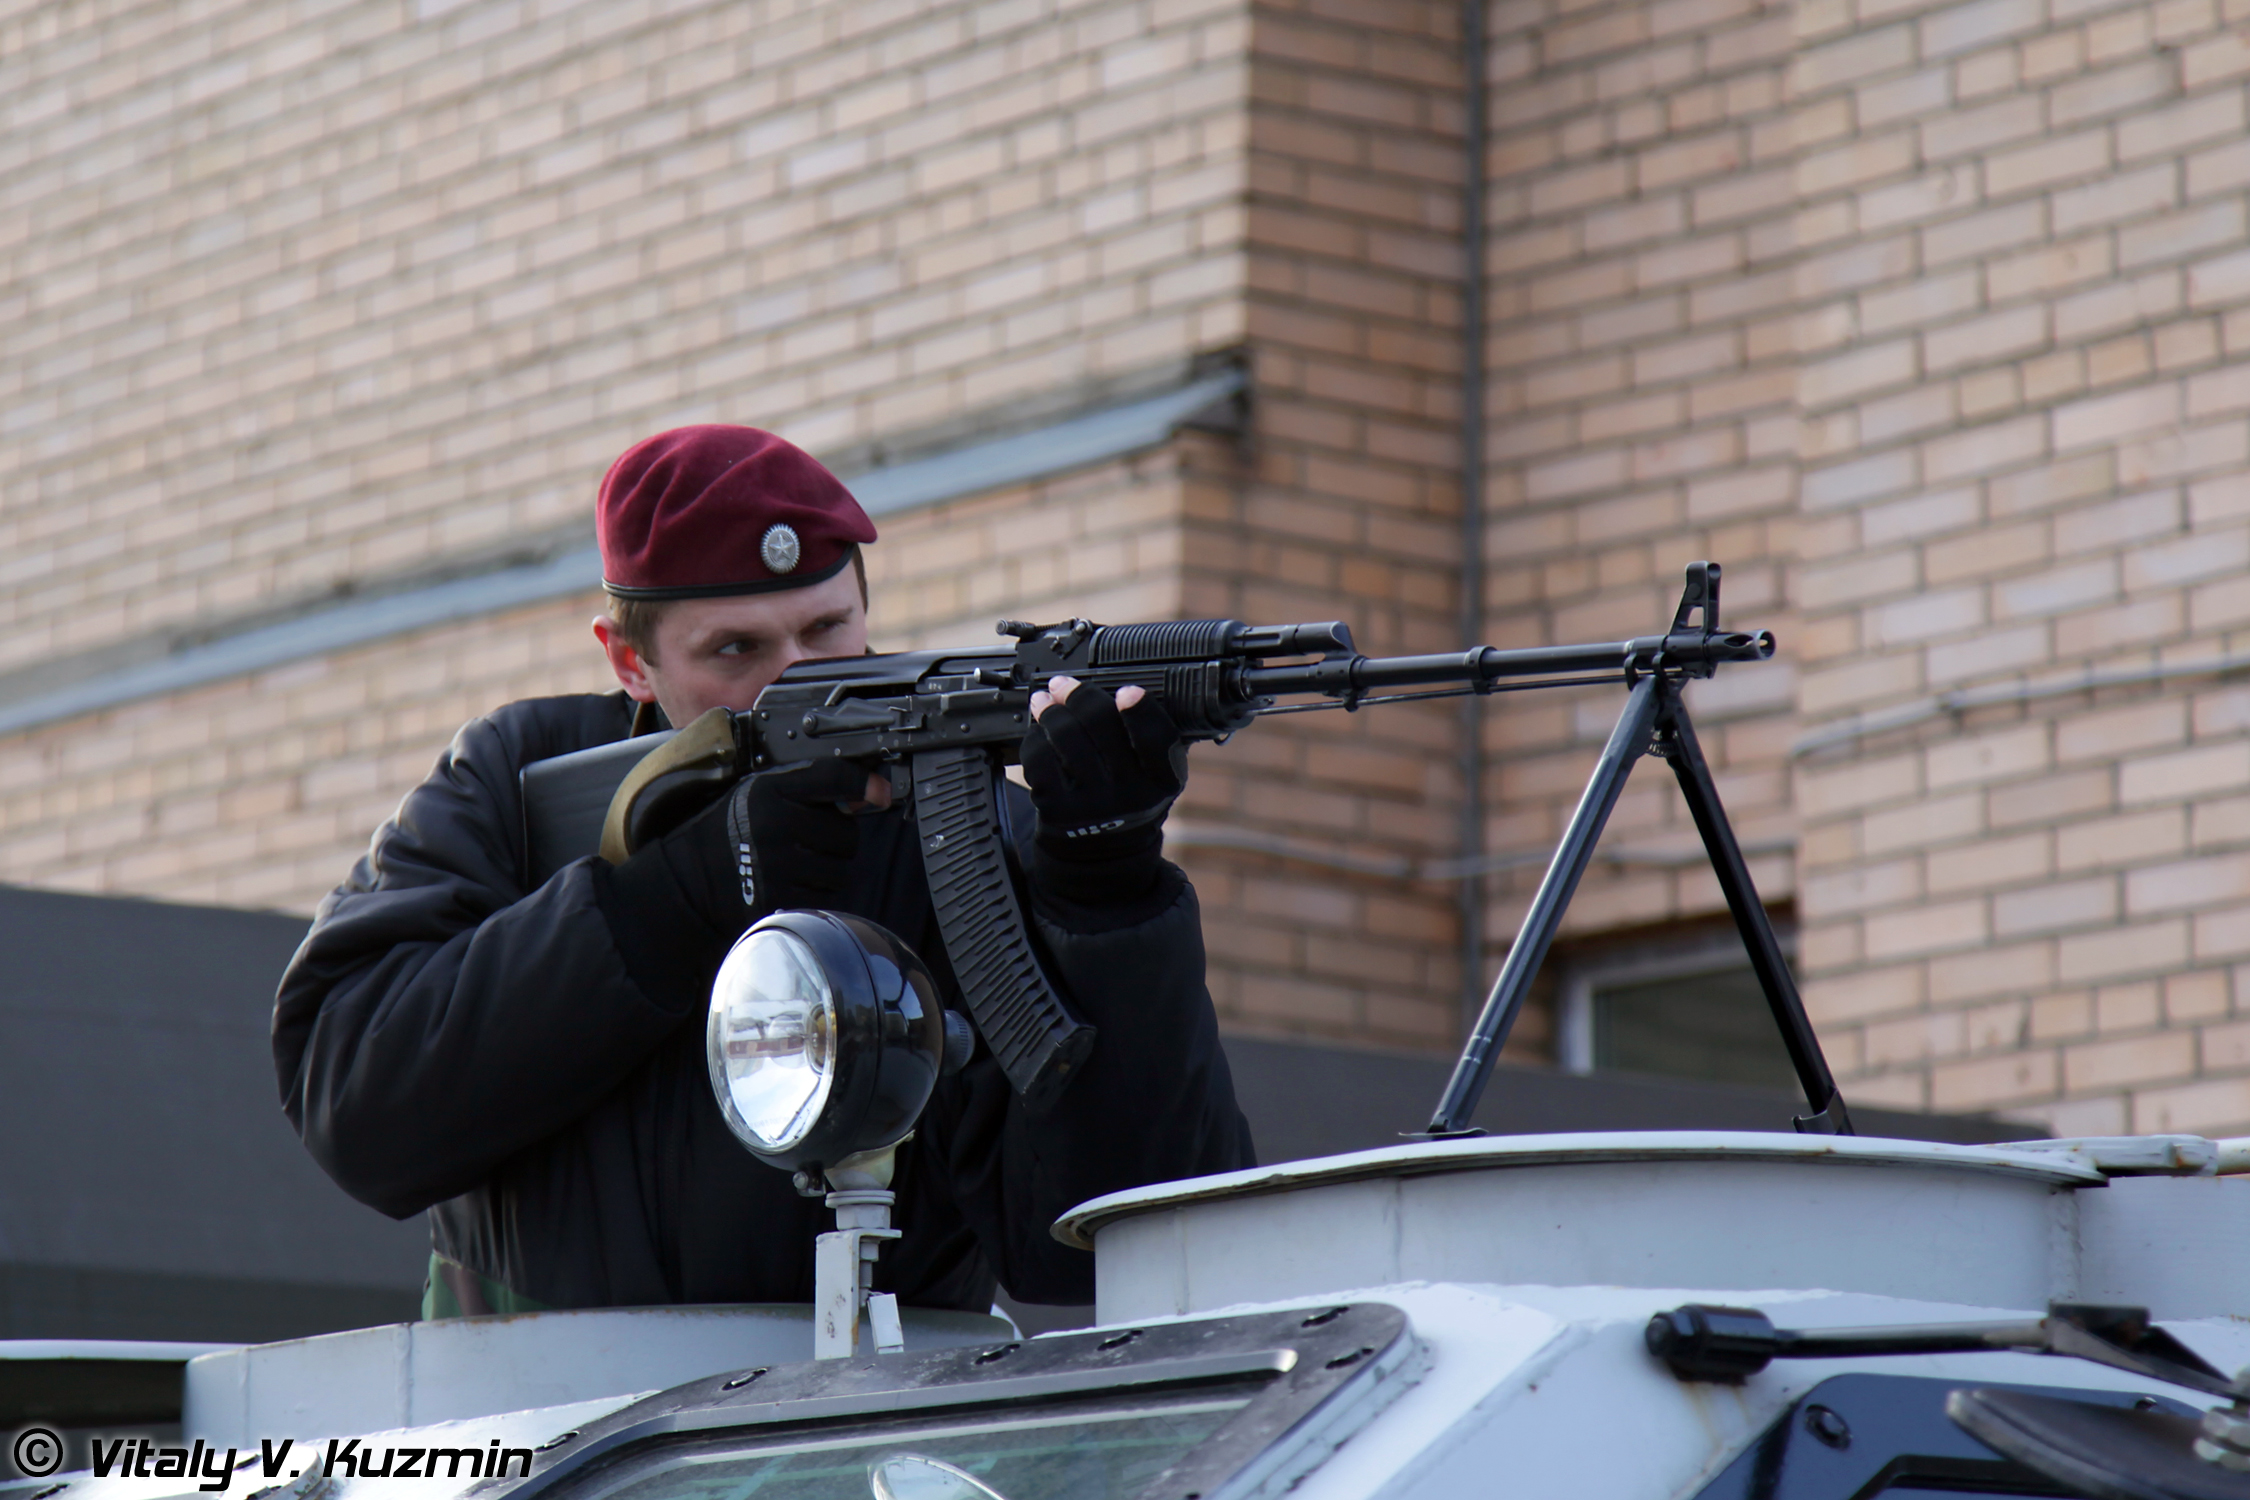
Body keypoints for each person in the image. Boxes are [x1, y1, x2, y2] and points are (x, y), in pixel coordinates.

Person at [273, 425, 1255, 1318]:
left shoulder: (951, 822)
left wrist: (1105, 891)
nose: (799, 676)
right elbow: (353, 1097)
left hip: (861, 1417)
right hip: (544, 1413)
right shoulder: (518, 779)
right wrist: (672, 900)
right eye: (737, 649)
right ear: (628, 661)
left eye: (827, 631)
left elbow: (1100, 1243)